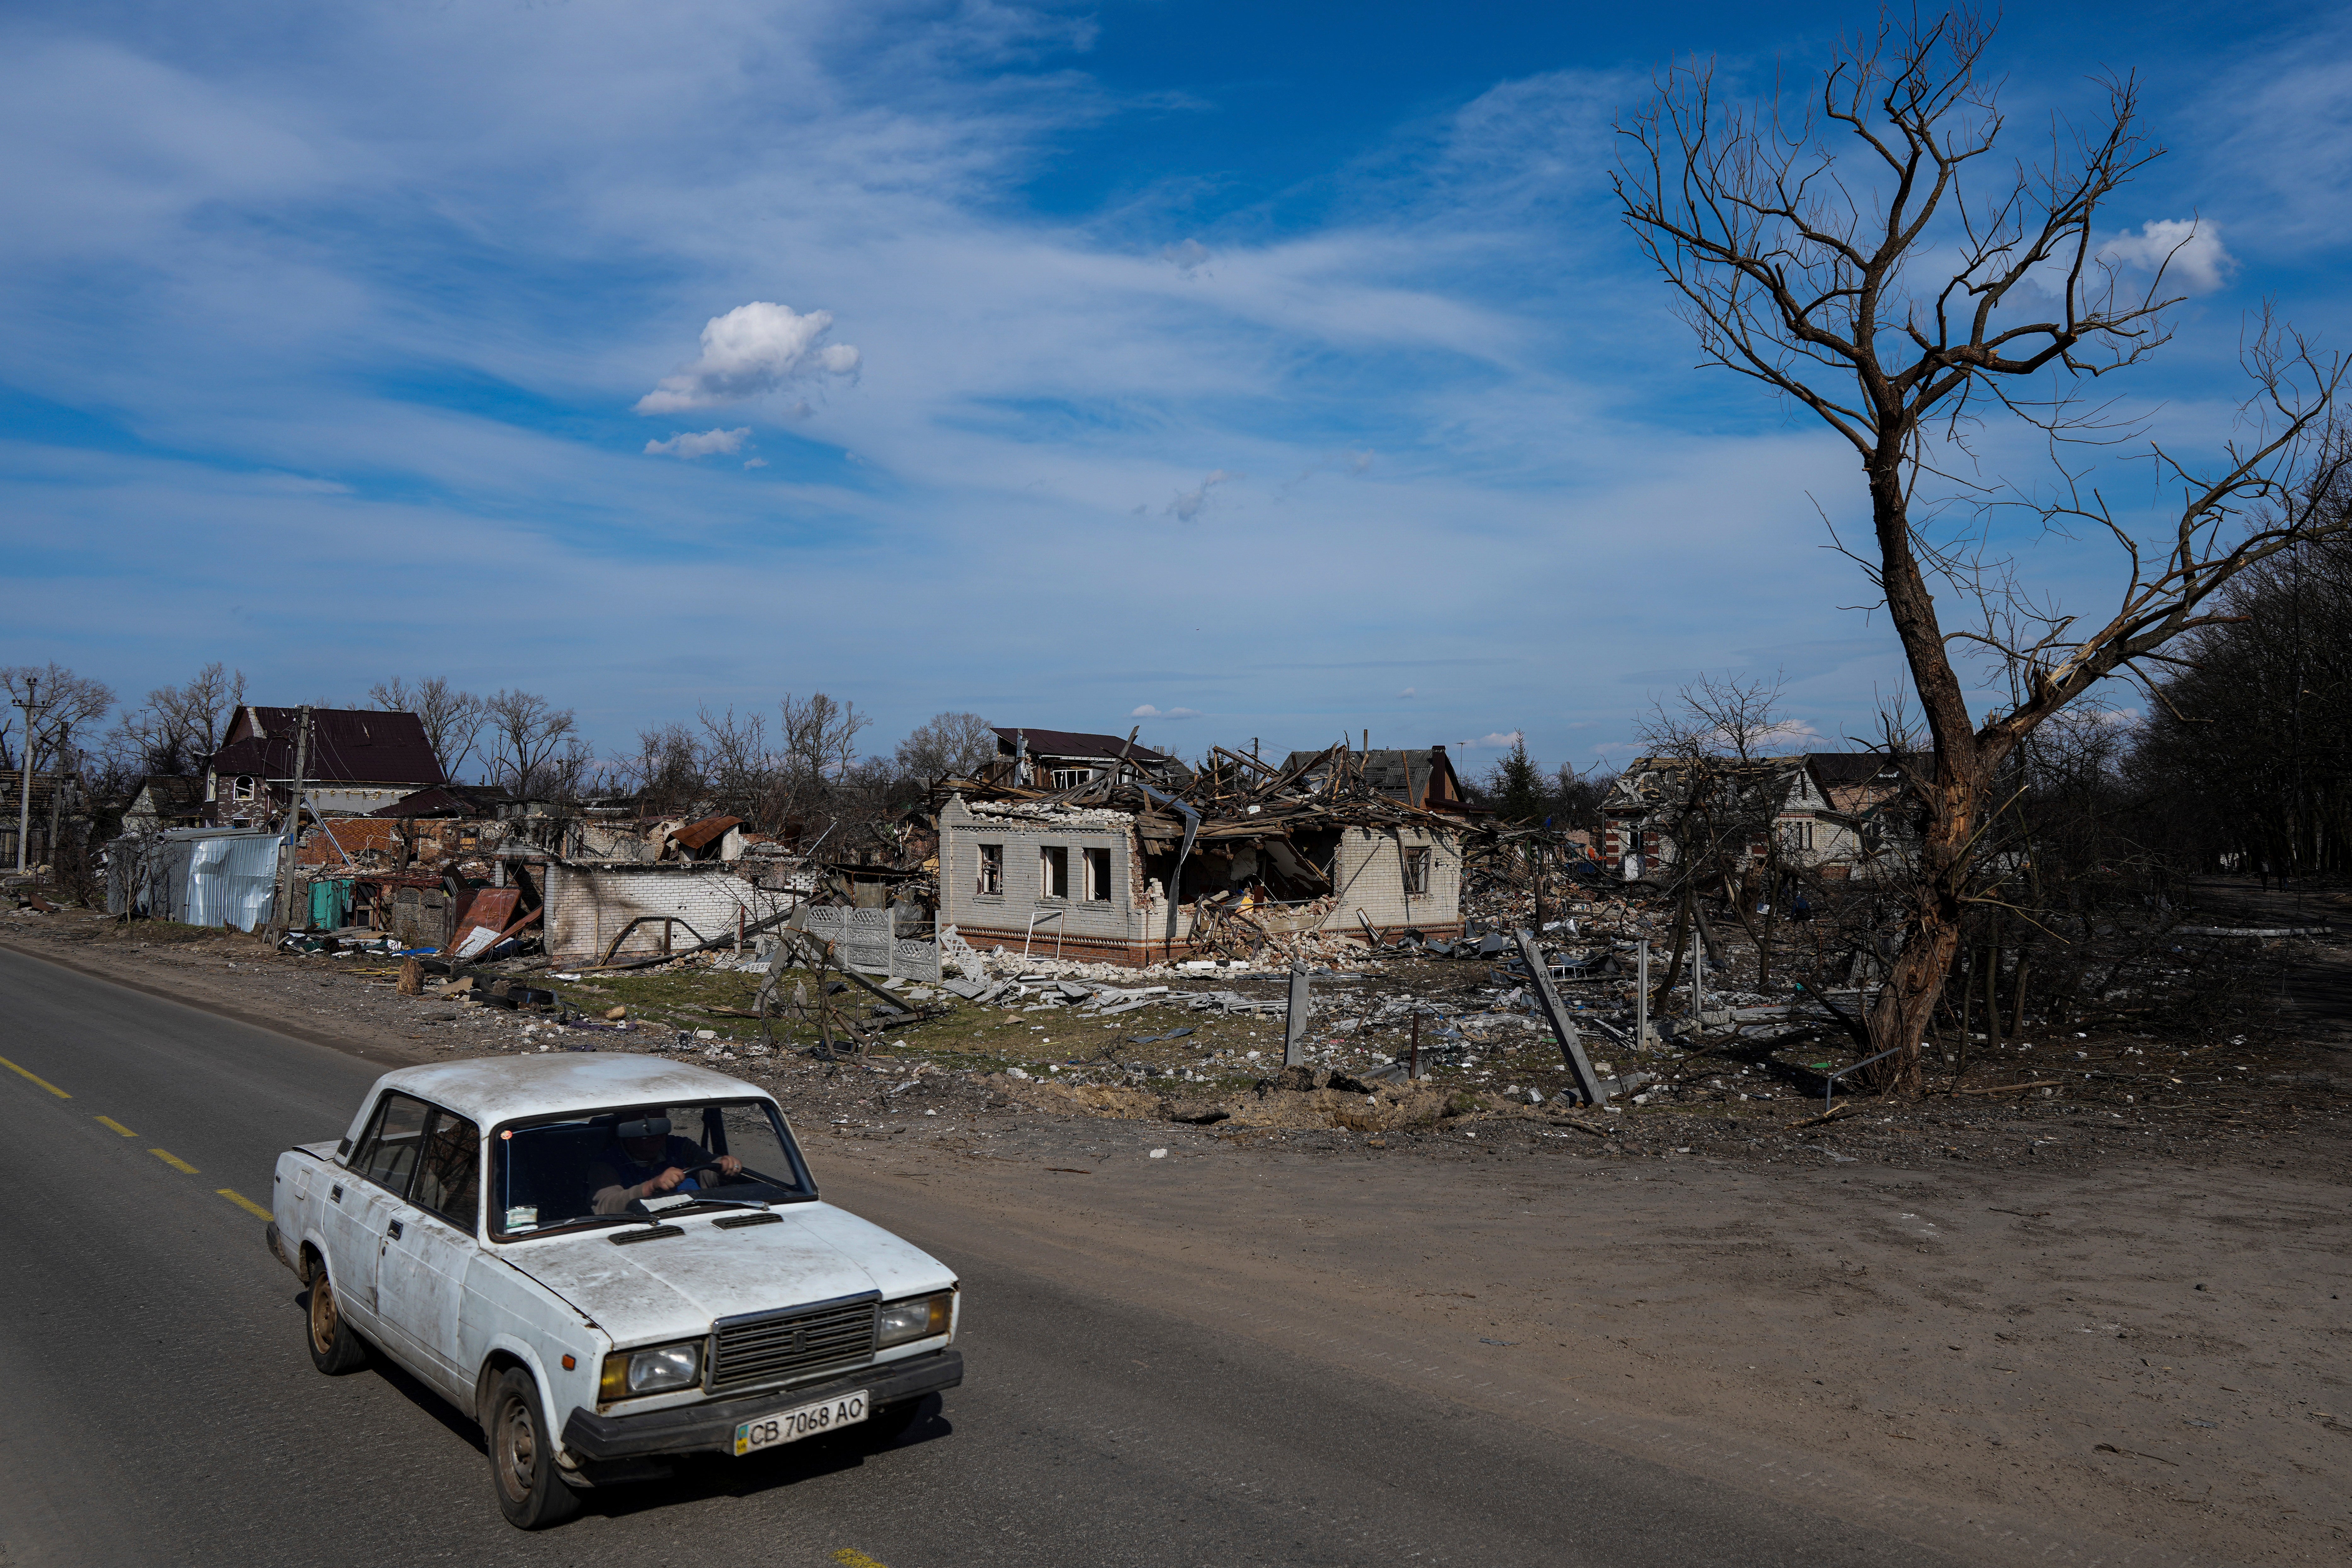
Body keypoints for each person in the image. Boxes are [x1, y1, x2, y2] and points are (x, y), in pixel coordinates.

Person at [589, 1109, 742, 1214]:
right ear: (625, 1128)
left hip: (700, 1215)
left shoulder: (681, 1147)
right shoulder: (606, 1164)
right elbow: (605, 1206)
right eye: (643, 1127)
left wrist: (724, 1166)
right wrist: (651, 1187)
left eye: (661, 1124)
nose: (654, 1135)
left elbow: (707, 1168)